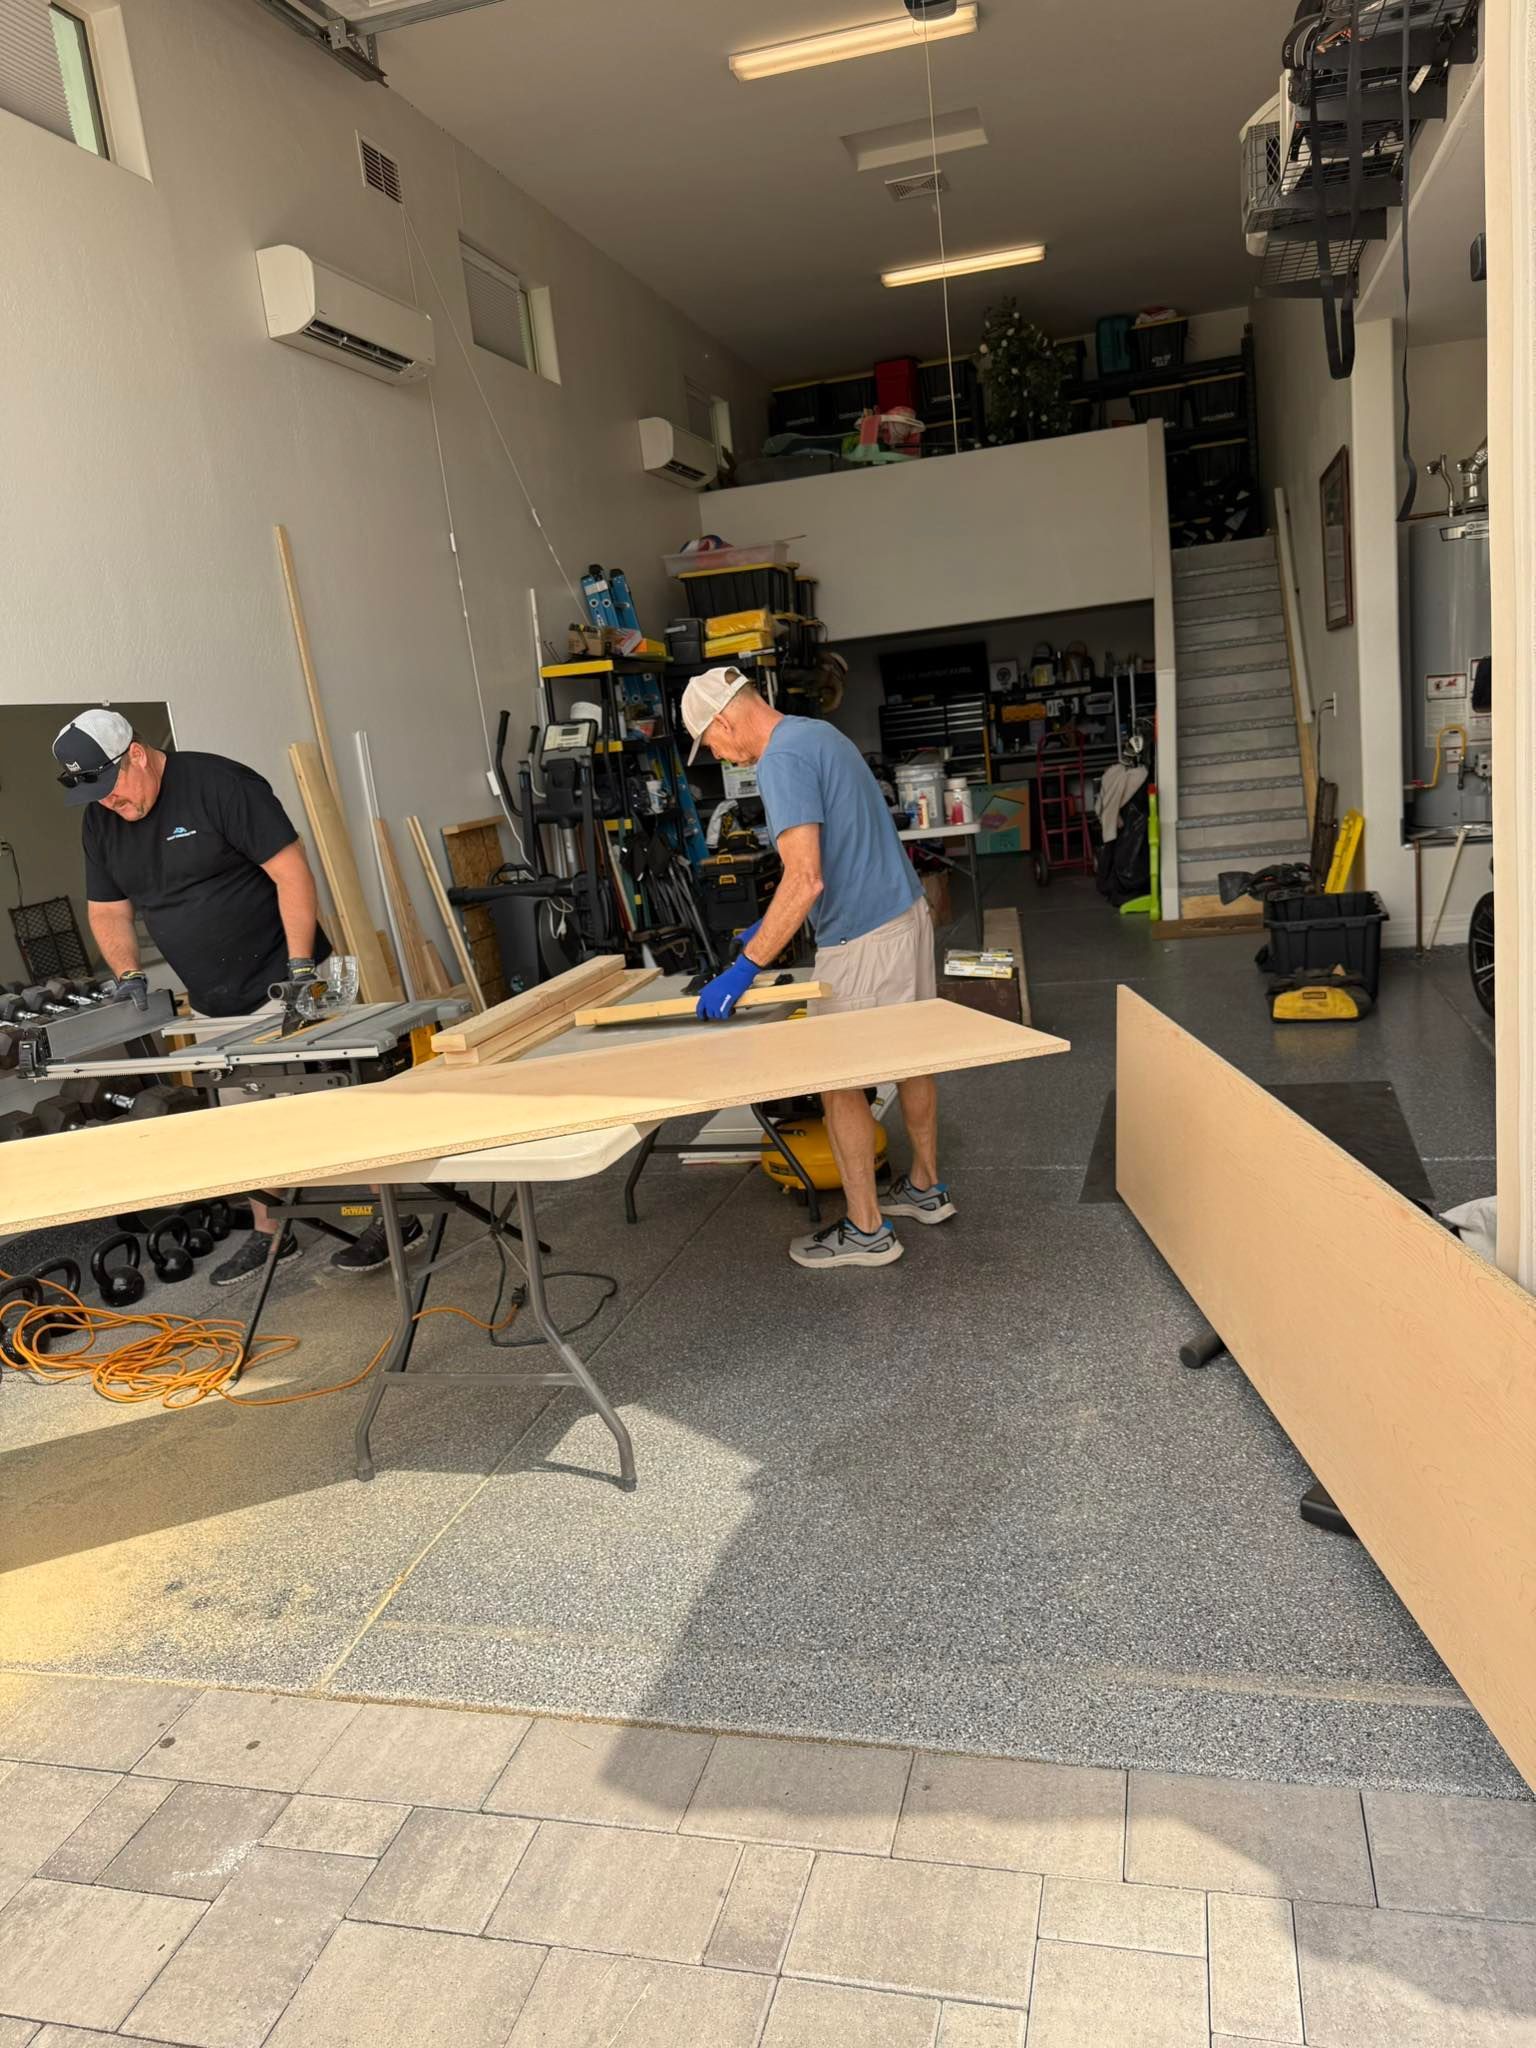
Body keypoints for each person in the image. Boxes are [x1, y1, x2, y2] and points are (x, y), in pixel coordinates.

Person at [53, 708, 416, 1284]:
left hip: (285, 979)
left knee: (333, 1107)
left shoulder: (221, 785)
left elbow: (291, 873)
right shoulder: (101, 820)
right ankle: (273, 1236)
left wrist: (300, 970)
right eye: (94, 795)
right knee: (245, 1129)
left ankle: (389, 1217)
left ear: (138, 756)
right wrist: (129, 978)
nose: (109, 805)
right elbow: (107, 908)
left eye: (113, 789)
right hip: (212, 1003)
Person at [681, 667, 954, 1270]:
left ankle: (866, 1230)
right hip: (905, 913)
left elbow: (806, 878)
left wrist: (746, 966)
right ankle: (926, 1188)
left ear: (724, 720)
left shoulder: (779, 761)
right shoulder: (818, 733)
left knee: (839, 1084)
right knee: (915, 1060)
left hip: (862, 941)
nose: (721, 754)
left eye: (713, 744)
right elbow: (827, 850)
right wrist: (766, 924)